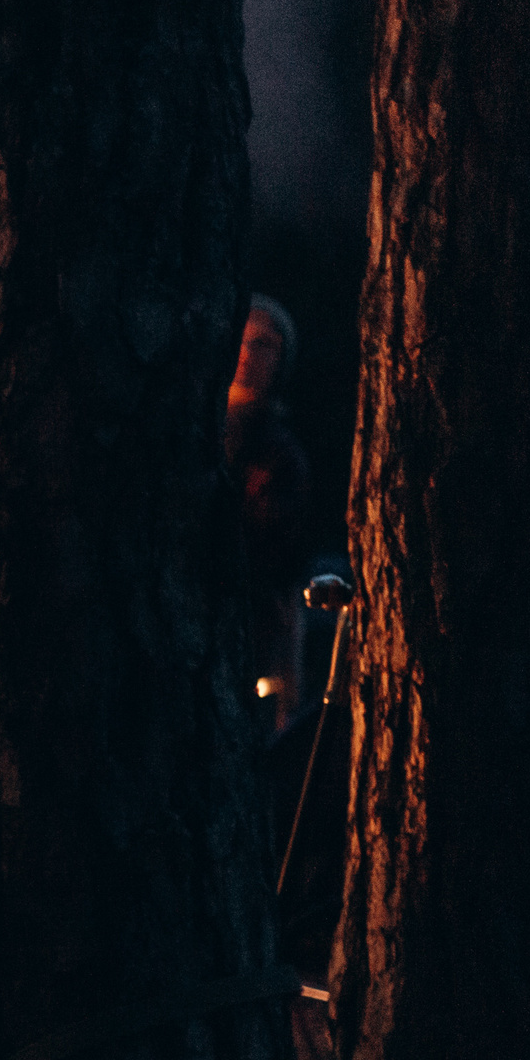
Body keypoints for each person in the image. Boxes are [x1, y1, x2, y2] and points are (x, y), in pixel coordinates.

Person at [227, 295, 312, 735]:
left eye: (262, 344)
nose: (246, 355)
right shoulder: (187, 439)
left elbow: (280, 562)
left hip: (253, 634)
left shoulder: (279, 455)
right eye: (240, 341)